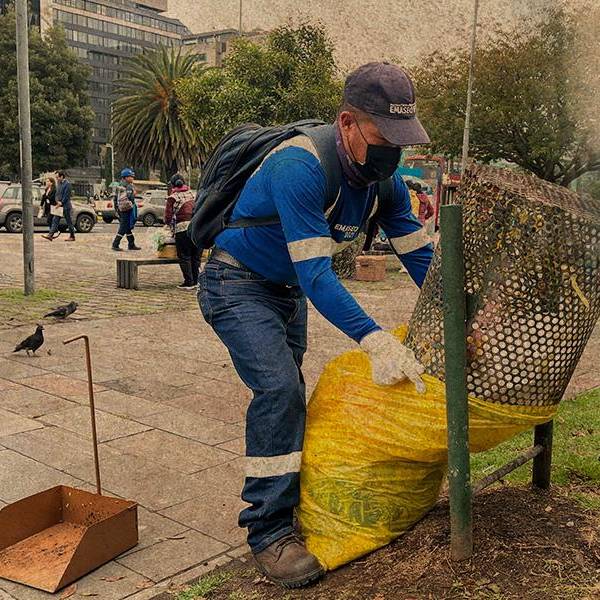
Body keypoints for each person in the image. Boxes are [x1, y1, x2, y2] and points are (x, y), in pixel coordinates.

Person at [197, 62, 434, 588]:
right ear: (347, 123)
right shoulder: (299, 165)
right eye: (383, 136)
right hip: (235, 284)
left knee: (290, 394)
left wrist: (457, 312)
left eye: (401, 139)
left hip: (285, 293)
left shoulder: (386, 184)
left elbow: (421, 259)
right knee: (279, 390)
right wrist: (375, 340)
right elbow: (317, 275)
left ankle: (289, 494)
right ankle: (268, 531)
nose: (393, 152)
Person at [165, 173, 199, 289]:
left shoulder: (172, 197)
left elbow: (168, 217)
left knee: (184, 255)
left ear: (173, 184)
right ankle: (196, 281)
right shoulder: (193, 194)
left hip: (182, 229)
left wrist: (169, 225)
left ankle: (188, 282)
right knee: (195, 255)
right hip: (196, 227)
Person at [111, 168, 140, 251]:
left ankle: (131, 244)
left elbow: (115, 198)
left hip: (120, 209)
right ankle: (115, 244)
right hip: (127, 209)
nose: (132, 178)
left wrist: (116, 209)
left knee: (127, 228)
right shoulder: (128, 186)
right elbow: (131, 198)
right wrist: (134, 194)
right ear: (126, 177)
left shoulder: (119, 185)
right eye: (131, 176)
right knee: (123, 227)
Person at [44, 171, 76, 241]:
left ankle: (72, 236)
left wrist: (61, 203)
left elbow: (66, 195)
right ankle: (50, 235)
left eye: (57, 177)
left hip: (66, 206)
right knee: (55, 220)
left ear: (61, 177)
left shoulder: (67, 184)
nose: (57, 179)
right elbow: (57, 194)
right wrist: (57, 201)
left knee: (69, 221)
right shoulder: (59, 184)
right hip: (59, 206)